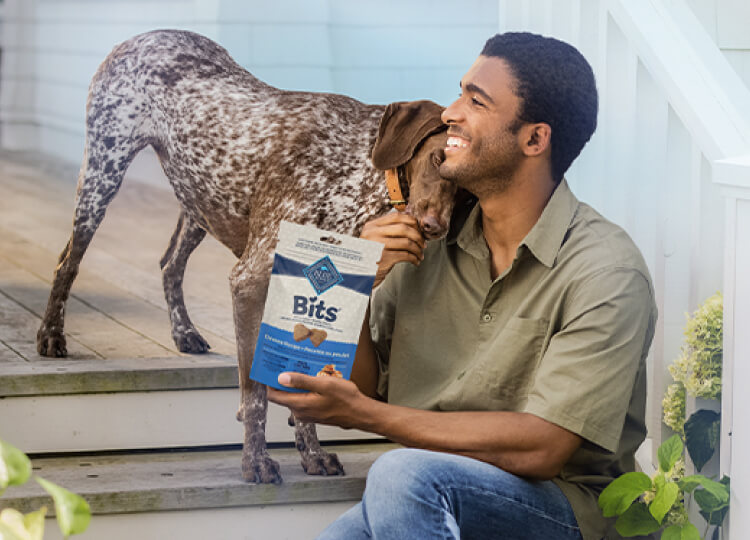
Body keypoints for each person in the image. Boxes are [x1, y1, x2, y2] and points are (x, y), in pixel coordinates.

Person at [268, 31, 657, 540]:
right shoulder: (422, 244)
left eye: (476, 102)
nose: (450, 113)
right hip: (428, 492)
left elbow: (543, 446)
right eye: (460, 93)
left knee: (402, 472)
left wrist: (370, 416)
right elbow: (358, 387)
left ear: (535, 139)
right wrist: (353, 281)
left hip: (564, 509)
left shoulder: (606, 270)